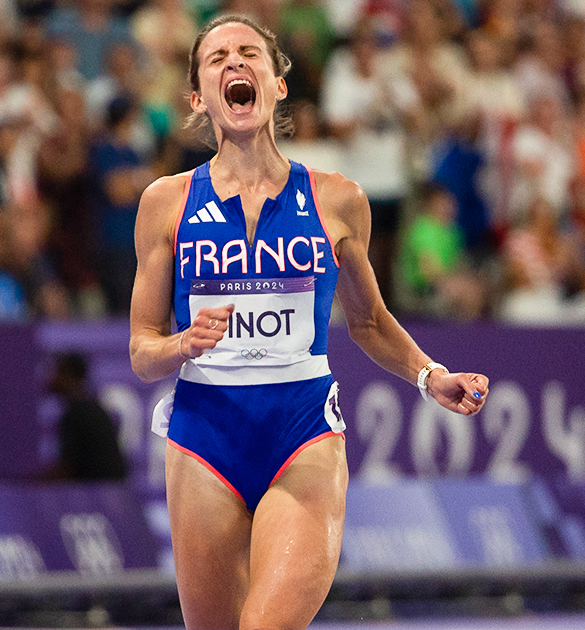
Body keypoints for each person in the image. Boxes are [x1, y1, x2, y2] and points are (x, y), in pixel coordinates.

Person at [128, 16, 489, 630]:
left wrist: (431, 377)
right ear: (197, 97)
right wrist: (184, 343)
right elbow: (141, 350)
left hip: (302, 434)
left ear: (277, 85)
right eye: (217, 59)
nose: (235, 64)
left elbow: (369, 322)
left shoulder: (337, 199)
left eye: (250, 55)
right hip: (202, 436)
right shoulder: (166, 202)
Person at [43, 353, 128, 481]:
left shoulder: (77, 415)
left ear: (69, 376)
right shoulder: (92, 408)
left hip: (99, 495)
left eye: (58, 372)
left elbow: (68, 468)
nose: (52, 378)